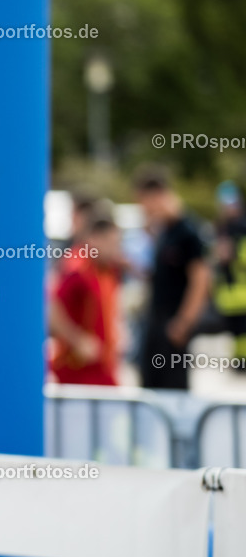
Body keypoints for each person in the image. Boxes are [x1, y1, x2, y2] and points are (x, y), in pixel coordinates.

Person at [134, 165, 211, 390]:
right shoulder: (164, 231)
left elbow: (201, 280)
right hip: (156, 320)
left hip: (173, 323)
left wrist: (184, 322)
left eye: (144, 202)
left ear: (157, 195)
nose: (143, 209)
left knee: (172, 387)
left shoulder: (188, 232)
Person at [49, 208, 124, 385]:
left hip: (103, 365)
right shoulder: (77, 269)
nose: (115, 249)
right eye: (111, 243)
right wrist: (78, 340)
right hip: (78, 368)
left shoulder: (107, 269)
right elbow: (52, 308)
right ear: (94, 239)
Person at [212, 181, 246, 365]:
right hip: (228, 295)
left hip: (242, 293)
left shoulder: (242, 227)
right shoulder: (222, 227)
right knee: (235, 335)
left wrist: (234, 254)